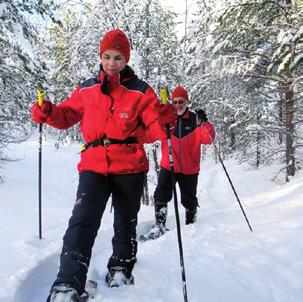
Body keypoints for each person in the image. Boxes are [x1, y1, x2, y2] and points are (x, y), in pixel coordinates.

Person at [31, 29, 176, 302]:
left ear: (127, 59)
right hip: (94, 166)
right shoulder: (87, 88)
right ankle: (67, 284)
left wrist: (164, 118)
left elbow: (155, 128)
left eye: (118, 58)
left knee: (125, 222)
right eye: (107, 56)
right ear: (100, 56)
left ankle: (121, 267)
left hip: (130, 166)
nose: (112, 63)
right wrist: (48, 112)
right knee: (82, 221)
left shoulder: (141, 91)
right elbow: (66, 115)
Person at [144, 86, 216, 240]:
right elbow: (150, 135)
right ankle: (160, 226)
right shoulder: (167, 118)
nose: (177, 105)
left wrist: (205, 123)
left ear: (187, 101)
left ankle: (191, 225)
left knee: (189, 200)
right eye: (175, 102)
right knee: (161, 195)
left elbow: (208, 139)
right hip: (168, 165)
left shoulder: (195, 119)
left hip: (190, 168)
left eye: (181, 101)